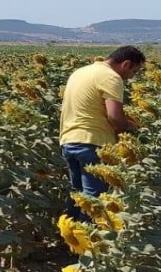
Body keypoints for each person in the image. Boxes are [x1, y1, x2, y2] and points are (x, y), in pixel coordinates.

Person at [58, 46, 146, 219]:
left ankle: (75, 236)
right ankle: (93, 243)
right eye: (134, 71)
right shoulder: (111, 77)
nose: (132, 77)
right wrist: (130, 128)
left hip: (69, 140)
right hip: (93, 143)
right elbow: (114, 117)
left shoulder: (81, 72)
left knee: (78, 196)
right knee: (95, 201)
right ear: (126, 64)